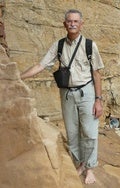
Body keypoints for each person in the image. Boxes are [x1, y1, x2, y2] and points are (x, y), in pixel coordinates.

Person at [20, 9, 104, 185]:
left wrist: (98, 100)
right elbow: (40, 65)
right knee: (72, 133)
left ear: (81, 24)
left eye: (75, 21)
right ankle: (80, 163)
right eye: (69, 21)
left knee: (89, 132)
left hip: (86, 92)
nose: (72, 24)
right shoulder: (58, 45)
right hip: (66, 93)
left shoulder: (90, 45)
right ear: (64, 24)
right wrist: (19, 76)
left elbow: (96, 74)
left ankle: (89, 168)